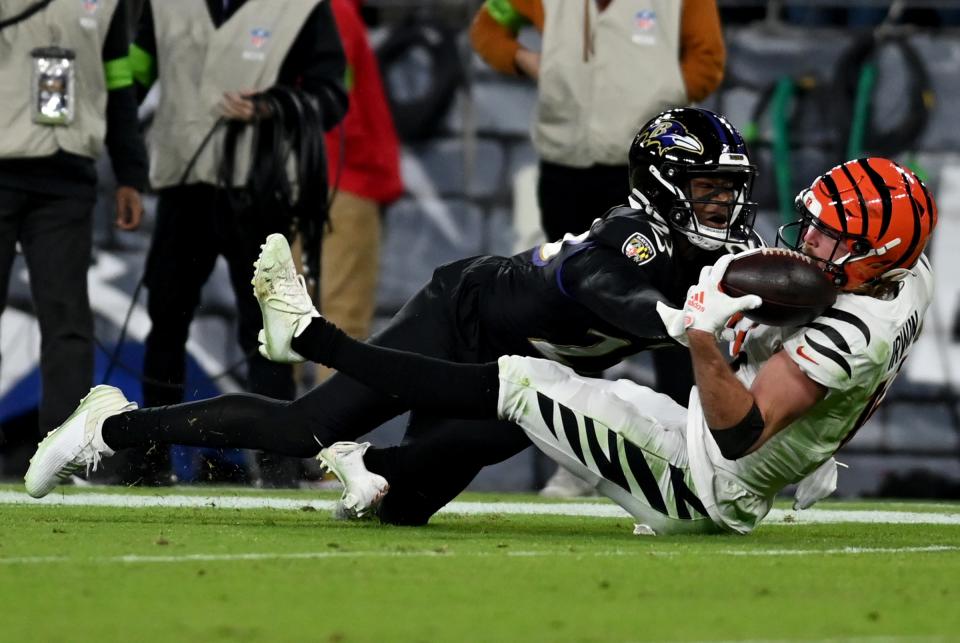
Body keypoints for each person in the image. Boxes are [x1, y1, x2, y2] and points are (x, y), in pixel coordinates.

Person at [23, 108, 762, 524]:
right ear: (664, 185)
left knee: (403, 506)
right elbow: (599, 285)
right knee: (301, 426)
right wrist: (677, 316)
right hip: (463, 319)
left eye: (729, 191)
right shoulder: (629, 236)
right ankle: (106, 423)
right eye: (708, 189)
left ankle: (362, 465)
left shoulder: (722, 258)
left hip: (517, 378)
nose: (722, 206)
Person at [470, 1, 728, 491]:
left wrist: (658, 106)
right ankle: (575, 460)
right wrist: (529, 62)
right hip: (566, 167)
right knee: (566, 315)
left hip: (651, 174)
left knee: (670, 314)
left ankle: (694, 459)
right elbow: (488, 28)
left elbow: (707, 60)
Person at [119, 0, 348, 486]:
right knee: (165, 320)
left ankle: (277, 462)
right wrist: (116, 139)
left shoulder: (302, 8)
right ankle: (149, 459)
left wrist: (271, 106)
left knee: (269, 331)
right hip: (183, 184)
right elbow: (133, 76)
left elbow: (334, 95)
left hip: (261, 190)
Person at [0, 0, 146, 465]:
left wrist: (129, 174)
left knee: (67, 319)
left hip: (67, 177)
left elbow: (120, 84)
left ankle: (63, 455)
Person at [306, 0, 403, 386]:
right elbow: (341, 111)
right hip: (344, 182)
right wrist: (373, 166)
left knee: (286, 327)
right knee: (341, 327)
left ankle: (275, 444)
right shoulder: (337, 13)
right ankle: (328, 443)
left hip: (299, 181)